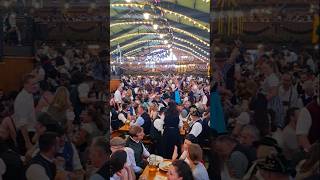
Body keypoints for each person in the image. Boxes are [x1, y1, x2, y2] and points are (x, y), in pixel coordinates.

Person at [14, 74, 38, 155]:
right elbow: (22, 124)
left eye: (36, 83)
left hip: (31, 131)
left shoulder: (29, 94)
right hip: (25, 134)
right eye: (33, 84)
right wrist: (27, 142)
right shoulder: (22, 99)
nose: (36, 86)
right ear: (25, 85)